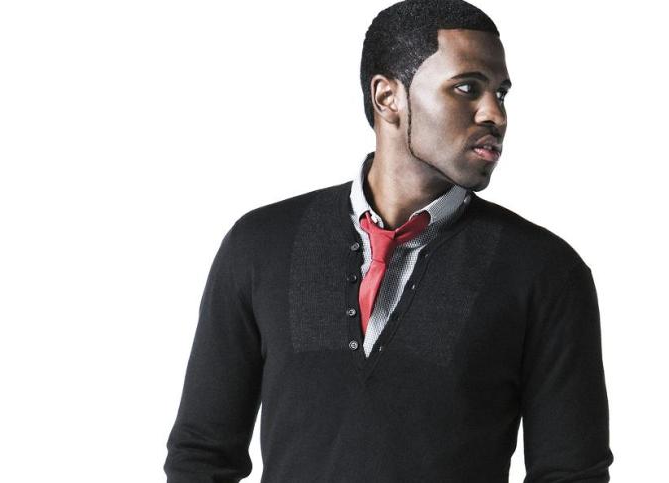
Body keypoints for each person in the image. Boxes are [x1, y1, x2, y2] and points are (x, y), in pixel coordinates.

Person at [163, 0, 613, 481]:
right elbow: (201, 457)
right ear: (387, 97)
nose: (495, 114)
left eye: (500, 93)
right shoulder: (261, 245)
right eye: (467, 88)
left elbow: (571, 474)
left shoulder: (544, 272)